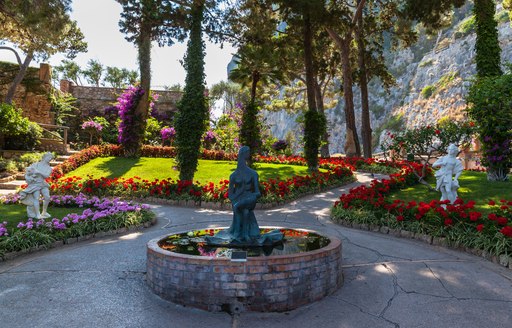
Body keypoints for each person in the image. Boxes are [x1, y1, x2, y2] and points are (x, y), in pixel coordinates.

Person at [226, 146, 261, 242]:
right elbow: (230, 195)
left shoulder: (253, 174)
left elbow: (258, 193)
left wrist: (251, 196)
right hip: (238, 199)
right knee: (244, 211)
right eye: (248, 152)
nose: (249, 154)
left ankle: (238, 233)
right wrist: (238, 195)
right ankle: (245, 234)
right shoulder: (233, 176)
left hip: (249, 199)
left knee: (237, 207)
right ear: (243, 154)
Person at [19, 152, 54, 219]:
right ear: (44, 157)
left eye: (51, 158)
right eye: (49, 157)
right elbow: (27, 172)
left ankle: (44, 212)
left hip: (43, 183)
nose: (50, 159)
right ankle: (38, 214)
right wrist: (30, 177)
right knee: (36, 198)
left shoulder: (49, 168)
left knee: (47, 197)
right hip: (35, 184)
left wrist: (38, 172)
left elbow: (46, 176)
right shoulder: (35, 165)